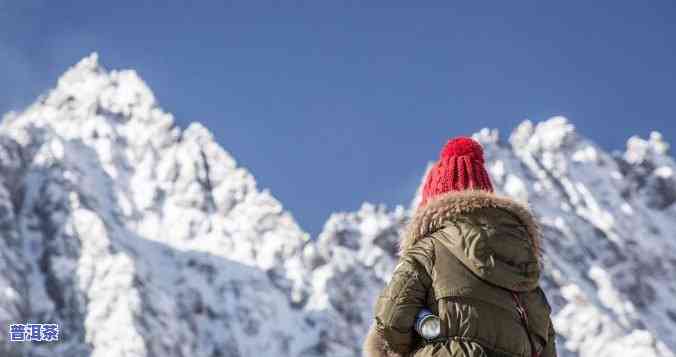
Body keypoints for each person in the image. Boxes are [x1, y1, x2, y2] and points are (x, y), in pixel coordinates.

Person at [364, 137, 557, 357]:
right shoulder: (525, 270)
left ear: (431, 205)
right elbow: (547, 347)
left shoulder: (429, 250)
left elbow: (391, 321)